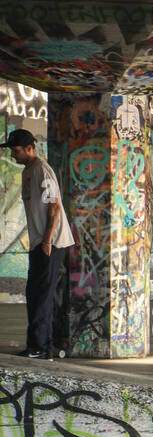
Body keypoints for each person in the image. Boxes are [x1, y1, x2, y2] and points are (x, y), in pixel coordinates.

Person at [3, 128, 75, 359]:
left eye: (16, 151)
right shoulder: (29, 170)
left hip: (51, 243)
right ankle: (38, 344)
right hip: (41, 242)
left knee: (41, 295)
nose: (13, 155)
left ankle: (41, 347)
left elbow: (54, 206)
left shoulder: (42, 171)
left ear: (30, 149)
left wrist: (46, 241)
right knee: (35, 293)